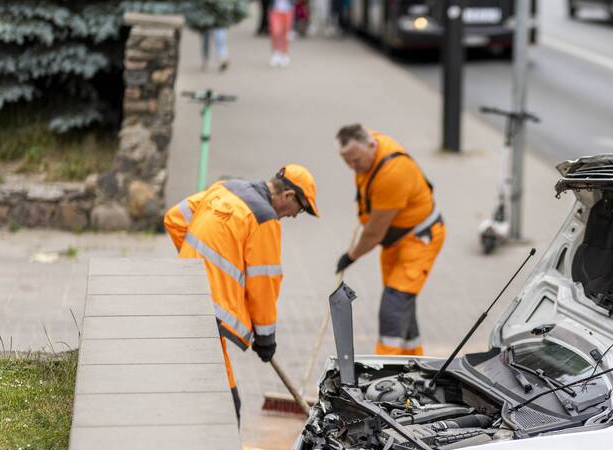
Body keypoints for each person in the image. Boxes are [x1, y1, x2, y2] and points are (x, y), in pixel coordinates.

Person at [163, 165, 319, 420]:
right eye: (299, 209)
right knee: (227, 404)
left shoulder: (226, 188)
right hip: (207, 316)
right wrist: (266, 338)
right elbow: (264, 283)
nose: (294, 216)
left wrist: (195, 267)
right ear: (288, 196)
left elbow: (175, 219)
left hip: (186, 297)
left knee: (207, 389)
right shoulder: (264, 218)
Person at [335, 124, 445, 356]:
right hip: (396, 242)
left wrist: (351, 256)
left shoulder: (393, 172)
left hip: (419, 240)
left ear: (372, 145)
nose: (353, 168)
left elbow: (374, 233)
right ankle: (414, 363)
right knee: (404, 302)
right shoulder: (367, 146)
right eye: (347, 162)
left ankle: (385, 370)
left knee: (394, 304)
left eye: (356, 160)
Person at [269, 0, 295, 67]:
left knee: (285, 33)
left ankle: (284, 53)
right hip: (275, 10)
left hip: (288, 10)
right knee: (276, 32)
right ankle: (276, 53)